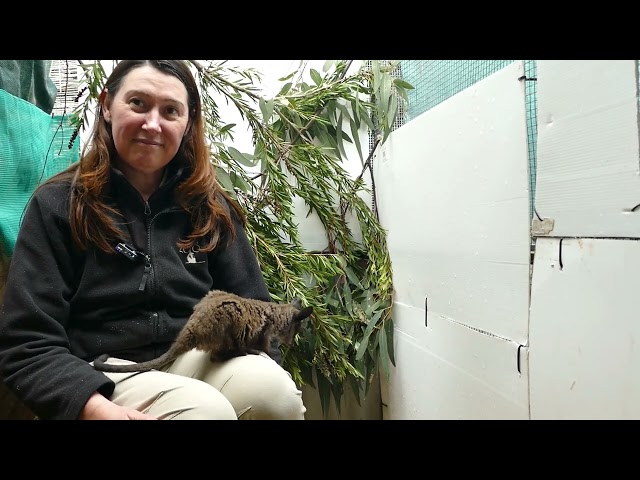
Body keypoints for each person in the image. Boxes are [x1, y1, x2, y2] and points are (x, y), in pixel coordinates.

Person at [0, 60, 307, 420]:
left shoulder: (211, 208)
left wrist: (270, 364)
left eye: (170, 111)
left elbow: (256, 314)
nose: (152, 124)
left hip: (197, 359)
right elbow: (27, 341)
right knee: (205, 412)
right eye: (138, 103)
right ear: (107, 106)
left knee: (276, 394)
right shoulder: (58, 204)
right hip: (102, 370)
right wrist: (90, 406)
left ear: (188, 122)